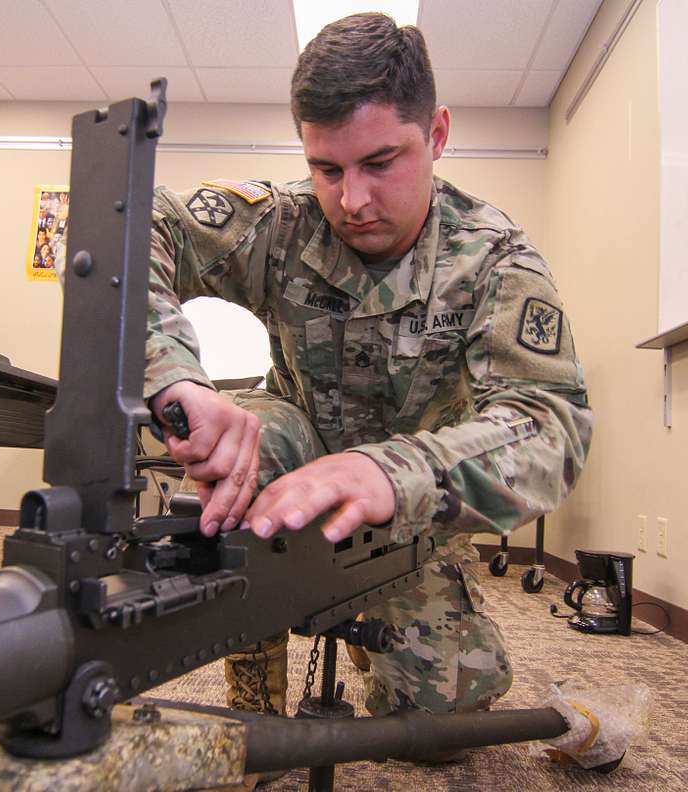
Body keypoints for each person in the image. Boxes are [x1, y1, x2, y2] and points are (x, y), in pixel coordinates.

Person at [144, 12, 592, 729]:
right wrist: (176, 373)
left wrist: (391, 472)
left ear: (437, 134)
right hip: (293, 450)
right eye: (328, 168)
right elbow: (137, 225)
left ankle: (362, 617)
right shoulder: (282, 223)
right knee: (243, 455)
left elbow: (550, 425)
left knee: (445, 722)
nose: (351, 201)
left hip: (411, 514)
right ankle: (255, 709)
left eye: (380, 163)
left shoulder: (494, 258)